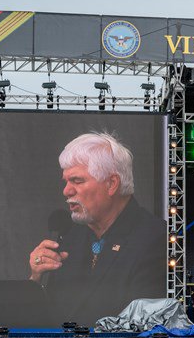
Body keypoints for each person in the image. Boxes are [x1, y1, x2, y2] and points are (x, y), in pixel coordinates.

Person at [27, 132, 165, 325]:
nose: (66, 191)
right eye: (66, 182)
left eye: (77, 181)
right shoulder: (69, 238)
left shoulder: (156, 238)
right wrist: (36, 278)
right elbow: (49, 316)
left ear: (111, 184)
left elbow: (139, 322)